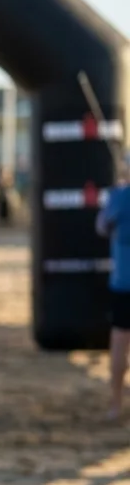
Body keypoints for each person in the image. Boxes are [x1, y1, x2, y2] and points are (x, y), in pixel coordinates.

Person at [96, 156, 130, 423]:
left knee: (120, 342)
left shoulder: (118, 196)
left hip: (123, 282)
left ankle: (116, 403)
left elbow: (102, 227)